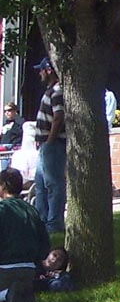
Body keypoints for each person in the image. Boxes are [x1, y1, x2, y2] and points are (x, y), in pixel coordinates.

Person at [0, 167, 50, 302]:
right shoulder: (31, 210)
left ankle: (8, 294)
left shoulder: (2, 209)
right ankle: (22, 295)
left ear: (3, 186)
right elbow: (44, 242)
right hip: (29, 268)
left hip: (5, 267)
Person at [32, 57, 67, 234]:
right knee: (40, 185)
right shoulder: (50, 90)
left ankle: (54, 223)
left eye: (41, 70)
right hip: (44, 145)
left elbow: (58, 116)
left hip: (53, 145)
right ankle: (41, 222)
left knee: (54, 184)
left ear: (48, 70)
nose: (39, 73)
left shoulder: (57, 90)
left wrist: (50, 140)